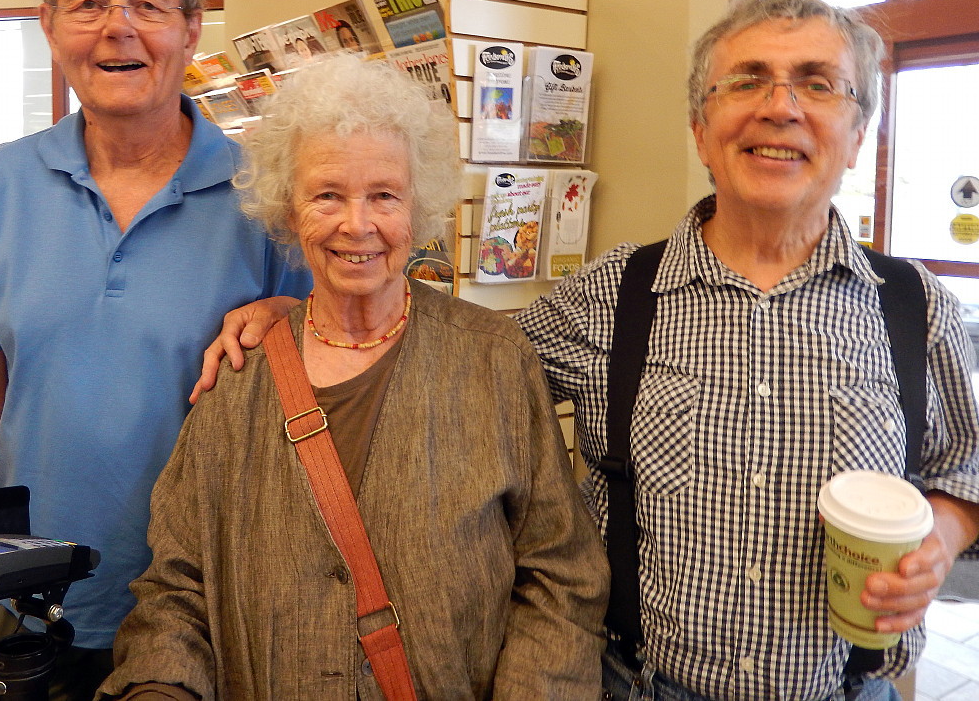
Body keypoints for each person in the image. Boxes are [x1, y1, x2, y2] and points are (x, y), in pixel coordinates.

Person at [195, 0, 979, 701]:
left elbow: (962, 471)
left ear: (859, 131)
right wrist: (297, 313)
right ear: (701, 130)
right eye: (746, 81)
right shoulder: (615, 297)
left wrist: (938, 543)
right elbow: (447, 355)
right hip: (638, 687)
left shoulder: (915, 310)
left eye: (817, 83)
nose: (780, 107)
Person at [99, 53, 610, 700]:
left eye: (383, 196)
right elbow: (176, 586)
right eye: (328, 196)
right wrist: (160, 688)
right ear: (289, 208)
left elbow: (561, 576)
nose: (357, 224)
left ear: (417, 206)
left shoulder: (493, 358)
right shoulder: (238, 380)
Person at [0, 0, 310, 701]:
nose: (118, 29)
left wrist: (292, 318)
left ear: (190, 26)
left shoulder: (269, 195)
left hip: (203, 606)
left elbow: (330, 386)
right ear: (50, 25)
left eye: (146, 3)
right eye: (89, 3)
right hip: (22, 607)